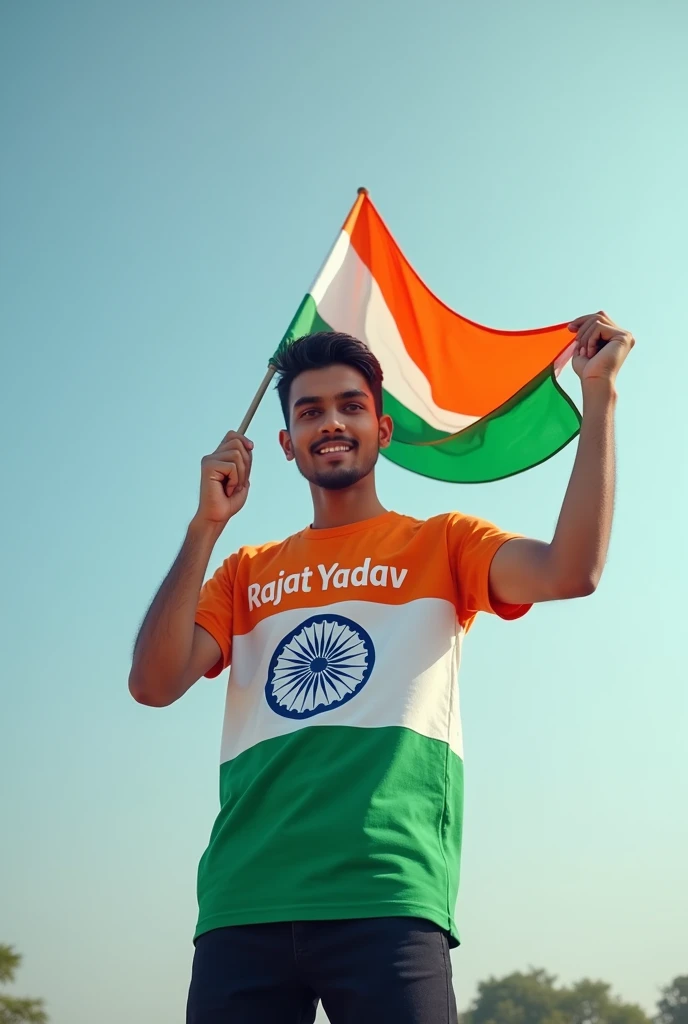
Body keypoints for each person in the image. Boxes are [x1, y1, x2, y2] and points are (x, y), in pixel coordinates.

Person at [129, 311, 634, 1024]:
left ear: (383, 429)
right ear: (285, 442)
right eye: (310, 411)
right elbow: (152, 685)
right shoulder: (243, 574)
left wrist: (600, 395)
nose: (330, 422)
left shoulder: (445, 544)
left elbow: (570, 569)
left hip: (388, 897)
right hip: (242, 903)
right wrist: (205, 527)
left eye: (350, 406)